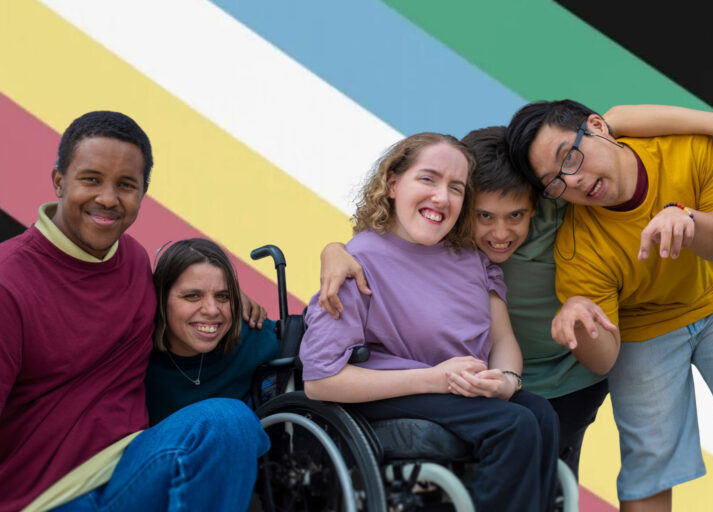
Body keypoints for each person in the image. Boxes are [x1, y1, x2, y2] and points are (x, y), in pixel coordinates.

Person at [318, 106, 713, 480]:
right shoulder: (450, 234)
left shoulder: (562, 203)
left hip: (567, 377)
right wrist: (333, 249)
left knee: (554, 477)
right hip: (480, 380)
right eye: (482, 215)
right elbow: (390, 244)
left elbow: (616, 119)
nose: (499, 232)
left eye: (515, 215)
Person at [506, 99, 713, 511]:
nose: (573, 182)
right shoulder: (579, 247)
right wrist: (581, 324)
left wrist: (689, 220)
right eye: (555, 183)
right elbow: (604, 361)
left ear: (597, 127)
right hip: (644, 325)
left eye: (570, 157)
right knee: (649, 458)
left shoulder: (691, 149)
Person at [0, 111, 267, 512]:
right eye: (91, 179)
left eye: (126, 185)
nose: (108, 198)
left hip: (135, 470)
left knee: (228, 423)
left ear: (142, 193)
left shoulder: (132, 260)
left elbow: (185, 298)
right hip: (44, 500)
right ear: (59, 181)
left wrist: (222, 292)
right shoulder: (9, 281)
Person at [300, 132, 559, 512]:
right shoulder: (356, 263)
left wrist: (506, 380)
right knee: (513, 426)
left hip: (453, 390)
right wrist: (434, 378)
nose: (442, 197)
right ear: (392, 183)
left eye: (456, 188)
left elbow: (503, 339)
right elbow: (320, 381)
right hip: (388, 392)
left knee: (540, 414)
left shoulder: (470, 257)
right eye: (428, 178)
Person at [145, 238, 279, 425]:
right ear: (161, 298)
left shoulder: (253, 335)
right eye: (192, 296)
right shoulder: (134, 348)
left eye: (223, 296)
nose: (212, 310)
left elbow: (317, 341)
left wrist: (333, 252)